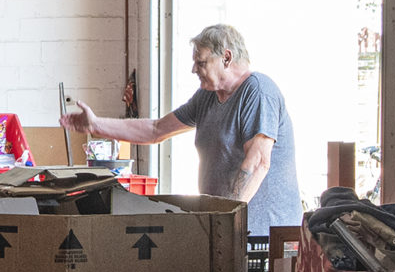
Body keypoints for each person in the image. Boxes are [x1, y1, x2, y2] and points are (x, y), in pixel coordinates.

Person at [66, 23, 302, 235]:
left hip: (263, 235)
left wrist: (227, 217)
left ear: (226, 59)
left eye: (201, 62)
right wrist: (96, 124)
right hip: (228, 227)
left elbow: (259, 162)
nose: (193, 70)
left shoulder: (258, 92)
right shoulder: (207, 97)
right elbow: (156, 130)